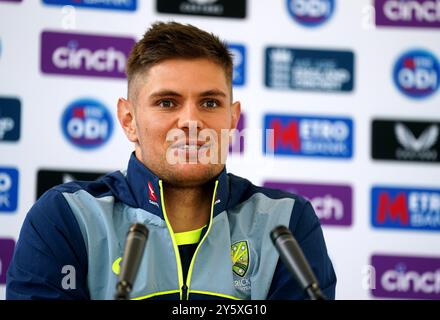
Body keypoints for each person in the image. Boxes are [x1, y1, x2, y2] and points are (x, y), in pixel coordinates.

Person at [6, 21, 336, 300]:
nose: (191, 121)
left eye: (209, 103)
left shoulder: (286, 222)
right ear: (128, 119)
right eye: (167, 103)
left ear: (233, 119)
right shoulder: (67, 216)